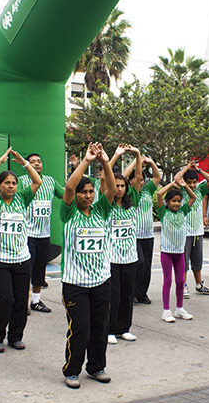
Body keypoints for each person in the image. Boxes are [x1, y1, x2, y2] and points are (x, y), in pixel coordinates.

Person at [60, 143, 115, 389]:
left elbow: (112, 188)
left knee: (100, 327)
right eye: (85, 192)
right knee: (80, 328)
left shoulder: (101, 211)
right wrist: (86, 160)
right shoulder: (69, 212)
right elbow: (70, 186)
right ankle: (72, 370)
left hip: (101, 282)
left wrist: (105, 161)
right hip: (75, 285)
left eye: (91, 191)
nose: (88, 196)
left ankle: (96, 367)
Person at [0, 147, 41, 352]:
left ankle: (15, 337)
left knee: (20, 302)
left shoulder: (22, 199)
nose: (11, 186)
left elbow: (37, 182)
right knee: (5, 299)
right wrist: (0, 160)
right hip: (0, 260)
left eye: (14, 183)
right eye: (7, 182)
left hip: (22, 260)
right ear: (0, 185)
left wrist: (24, 162)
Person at [105, 144, 142, 344]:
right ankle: (110, 329)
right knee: (114, 295)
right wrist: (116, 156)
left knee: (128, 295)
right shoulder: (107, 204)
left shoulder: (133, 201)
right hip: (111, 258)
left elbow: (137, 176)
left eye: (122, 185)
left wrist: (136, 154)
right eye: (116, 185)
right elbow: (104, 178)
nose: (119, 188)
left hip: (130, 258)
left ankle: (124, 328)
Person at [18, 153, 64, 313]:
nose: (36, 164)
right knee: (25, 271)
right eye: (32, 162)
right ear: (27, 164)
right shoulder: (22, 181)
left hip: (44, 234)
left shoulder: (50, 181)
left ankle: (35, 301)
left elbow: (64, 194)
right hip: (26, 234)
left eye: (39, 161)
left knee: (39, 270)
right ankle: (21, 302)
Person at [156, 176, 197, 323]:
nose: (177, 203)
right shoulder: (163, 213)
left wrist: (184, 185)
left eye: (179, 201)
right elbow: (160, 194)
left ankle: (179, 308)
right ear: (167, 202)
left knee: (180, 281)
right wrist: (172, 184)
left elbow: (193, 197)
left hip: (180, 253)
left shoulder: (183, 211)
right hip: (167, 253)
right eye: (173, 201)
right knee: (168, 281)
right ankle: (166, 310)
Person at [128, 155, 161, 305]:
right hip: (134, 235)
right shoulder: (129, 193)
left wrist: (151, 161)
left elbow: (157, 176)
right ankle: (132, 292)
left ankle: (142, 293)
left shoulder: (147, 190)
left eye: (142, 179)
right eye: (137, 179)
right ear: (131, 181)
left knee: (147, 265)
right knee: (138, 263)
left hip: (148, 234)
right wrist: (136, 161)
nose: (140, 182)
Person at [181, 162, 209, 296]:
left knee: (197, 260)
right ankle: (183, 285)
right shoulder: (182, 190)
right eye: (189, 182)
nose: (192, 185)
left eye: (194, 182)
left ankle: (199, 284)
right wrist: (186, 169)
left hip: (198, 231)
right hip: (184, 232)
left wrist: (199, 170)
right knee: (184, 261)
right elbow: (177, 179)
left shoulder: (200, 190)